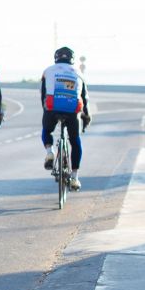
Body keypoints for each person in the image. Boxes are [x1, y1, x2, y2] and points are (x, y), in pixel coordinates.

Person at [41, 46, 91, 191]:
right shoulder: (79, 73)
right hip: (72, 108)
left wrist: (45, 111)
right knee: (75, 141)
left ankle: (50, 153)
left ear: (56, 58)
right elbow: (85, 98)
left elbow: (43, 94)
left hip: (52, 107)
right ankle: (75, 177)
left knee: (47, 131)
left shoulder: (48, 71)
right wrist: (86, 116)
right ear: (72, 60)